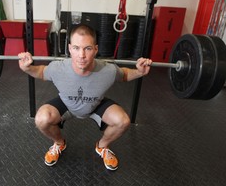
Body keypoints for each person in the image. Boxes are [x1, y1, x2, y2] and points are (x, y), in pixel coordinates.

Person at [18, 24, 152, 171]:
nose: (81, 55)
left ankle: (102, 146)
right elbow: (42, 72)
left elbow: (124, 74)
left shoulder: (108, 70)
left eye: (87, 48)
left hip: (95, 104)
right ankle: (59, 143)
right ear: (69, 48)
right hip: (66, 105)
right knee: (41, 119)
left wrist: (140, 72)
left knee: (123, 121)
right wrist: (27, 68)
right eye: (76, 48)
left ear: (95, 49)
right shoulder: (58, 68)